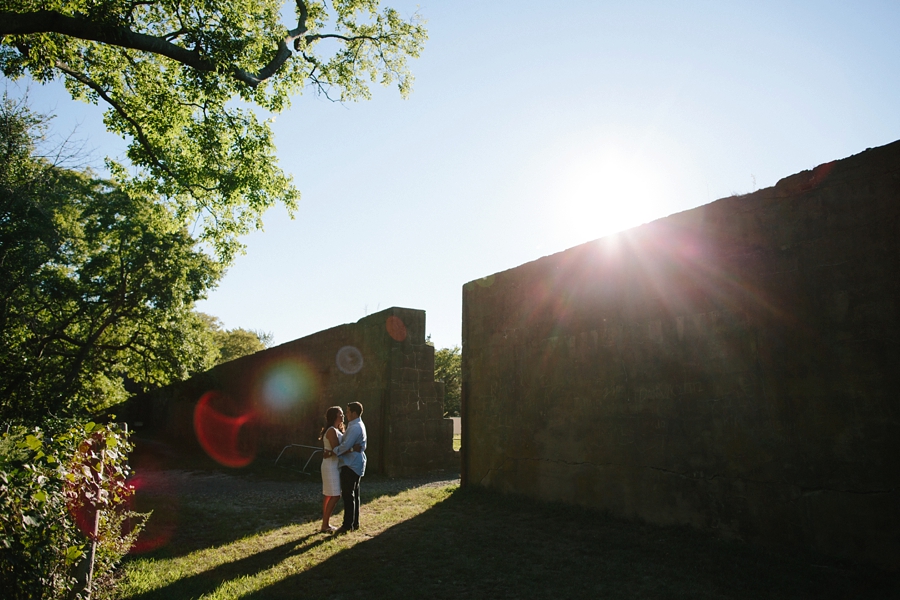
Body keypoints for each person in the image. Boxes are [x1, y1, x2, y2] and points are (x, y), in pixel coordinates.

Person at [330, 401, 367, 533]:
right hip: (354, 463)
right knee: (354, 494)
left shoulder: (355, 427)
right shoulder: (355, 425)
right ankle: (354, 523)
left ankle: (347, 525)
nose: (346, 414)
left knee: (348, 495)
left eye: (348, 411)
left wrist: (334, 451)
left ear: (354, 413)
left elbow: (346, 446)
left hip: (351, 464)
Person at [318, 406, 344, 532]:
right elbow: (337, 449)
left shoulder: (335, 430)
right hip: (330, 465)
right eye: (340, 414)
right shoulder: (332, 431)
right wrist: (350, 449)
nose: (343, 416)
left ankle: (325, 523)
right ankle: (325, 524)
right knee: (335, 495)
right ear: (335, 416)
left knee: (329, 494)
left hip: (332, 463)